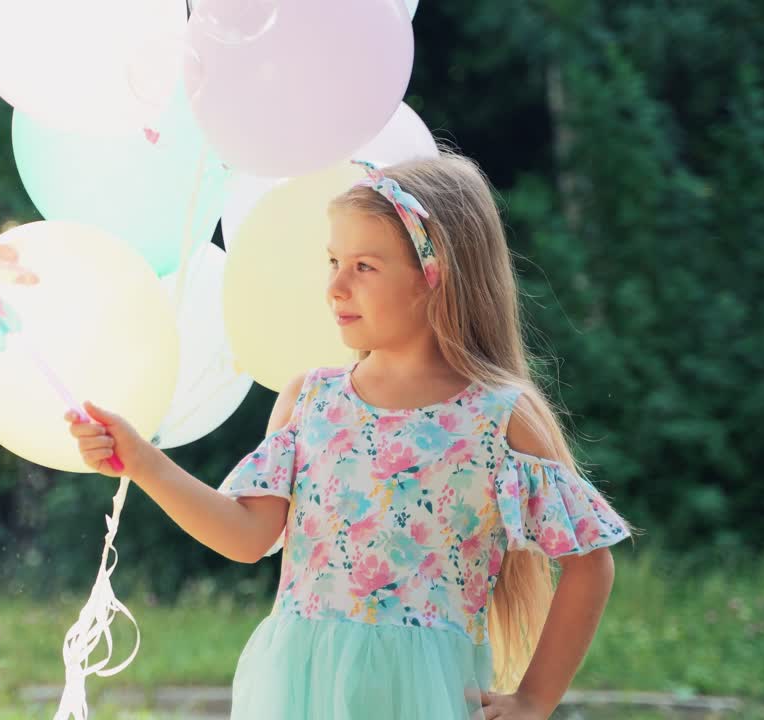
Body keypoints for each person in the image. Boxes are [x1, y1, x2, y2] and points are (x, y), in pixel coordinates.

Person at [65, 151, 633, 719]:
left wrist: (535, 698)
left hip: (422, 698)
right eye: (333, 260)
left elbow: (590, 561)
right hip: (302, 688)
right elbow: (246, 536)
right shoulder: (311, 402)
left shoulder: (498, 417)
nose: (336, 285)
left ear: (435, 276)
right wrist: (143, 461)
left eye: (364, 266)